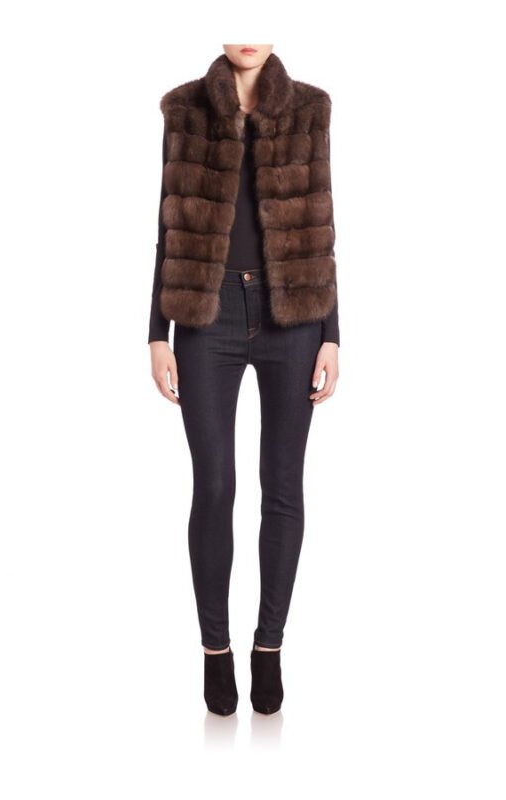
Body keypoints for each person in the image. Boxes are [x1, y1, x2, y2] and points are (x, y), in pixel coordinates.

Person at [148, 45, 340, 716]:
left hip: (296, 316)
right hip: (208, 315)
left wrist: (332, 333)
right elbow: (168, 223)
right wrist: (157, 332)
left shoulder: (310, 107)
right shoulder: (185, 107)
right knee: (215, 486)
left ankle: (268, 648)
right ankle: (214, 650)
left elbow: (321, 225)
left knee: (282, 488)